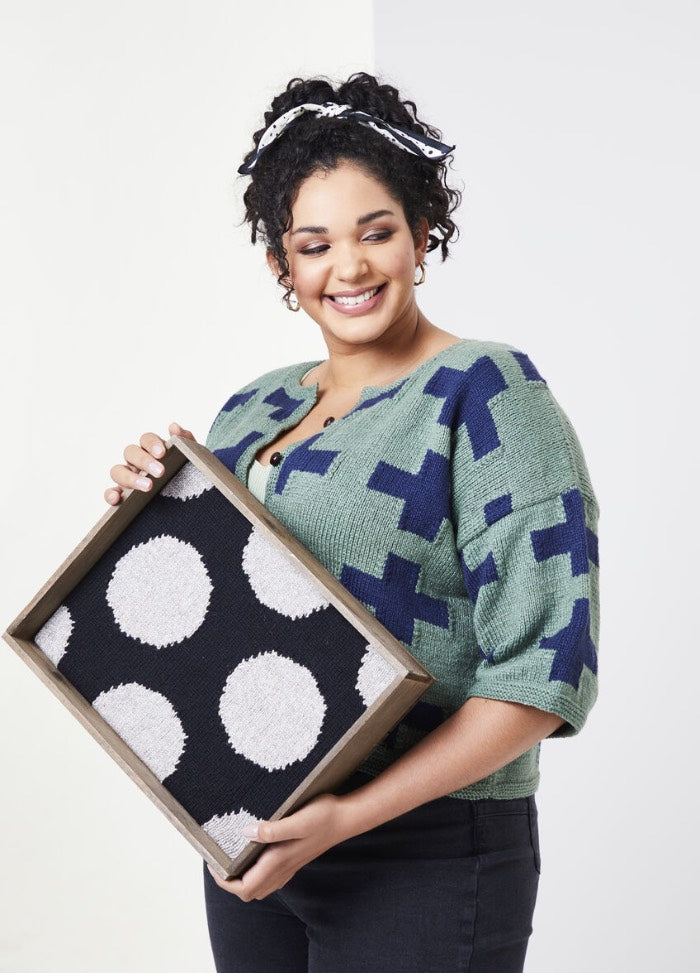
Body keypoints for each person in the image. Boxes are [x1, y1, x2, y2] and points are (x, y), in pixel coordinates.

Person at [104, 71, 600, 973]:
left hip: (427, 845)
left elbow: (543, 675)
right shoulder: (250, 410)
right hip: (256, 844)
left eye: (376, 232)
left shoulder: (486, 391)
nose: (351, 267)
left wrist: (348, 818)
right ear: (280, 265)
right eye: (315, 243)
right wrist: (145, 514)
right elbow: (214, 622)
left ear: (419, 234)